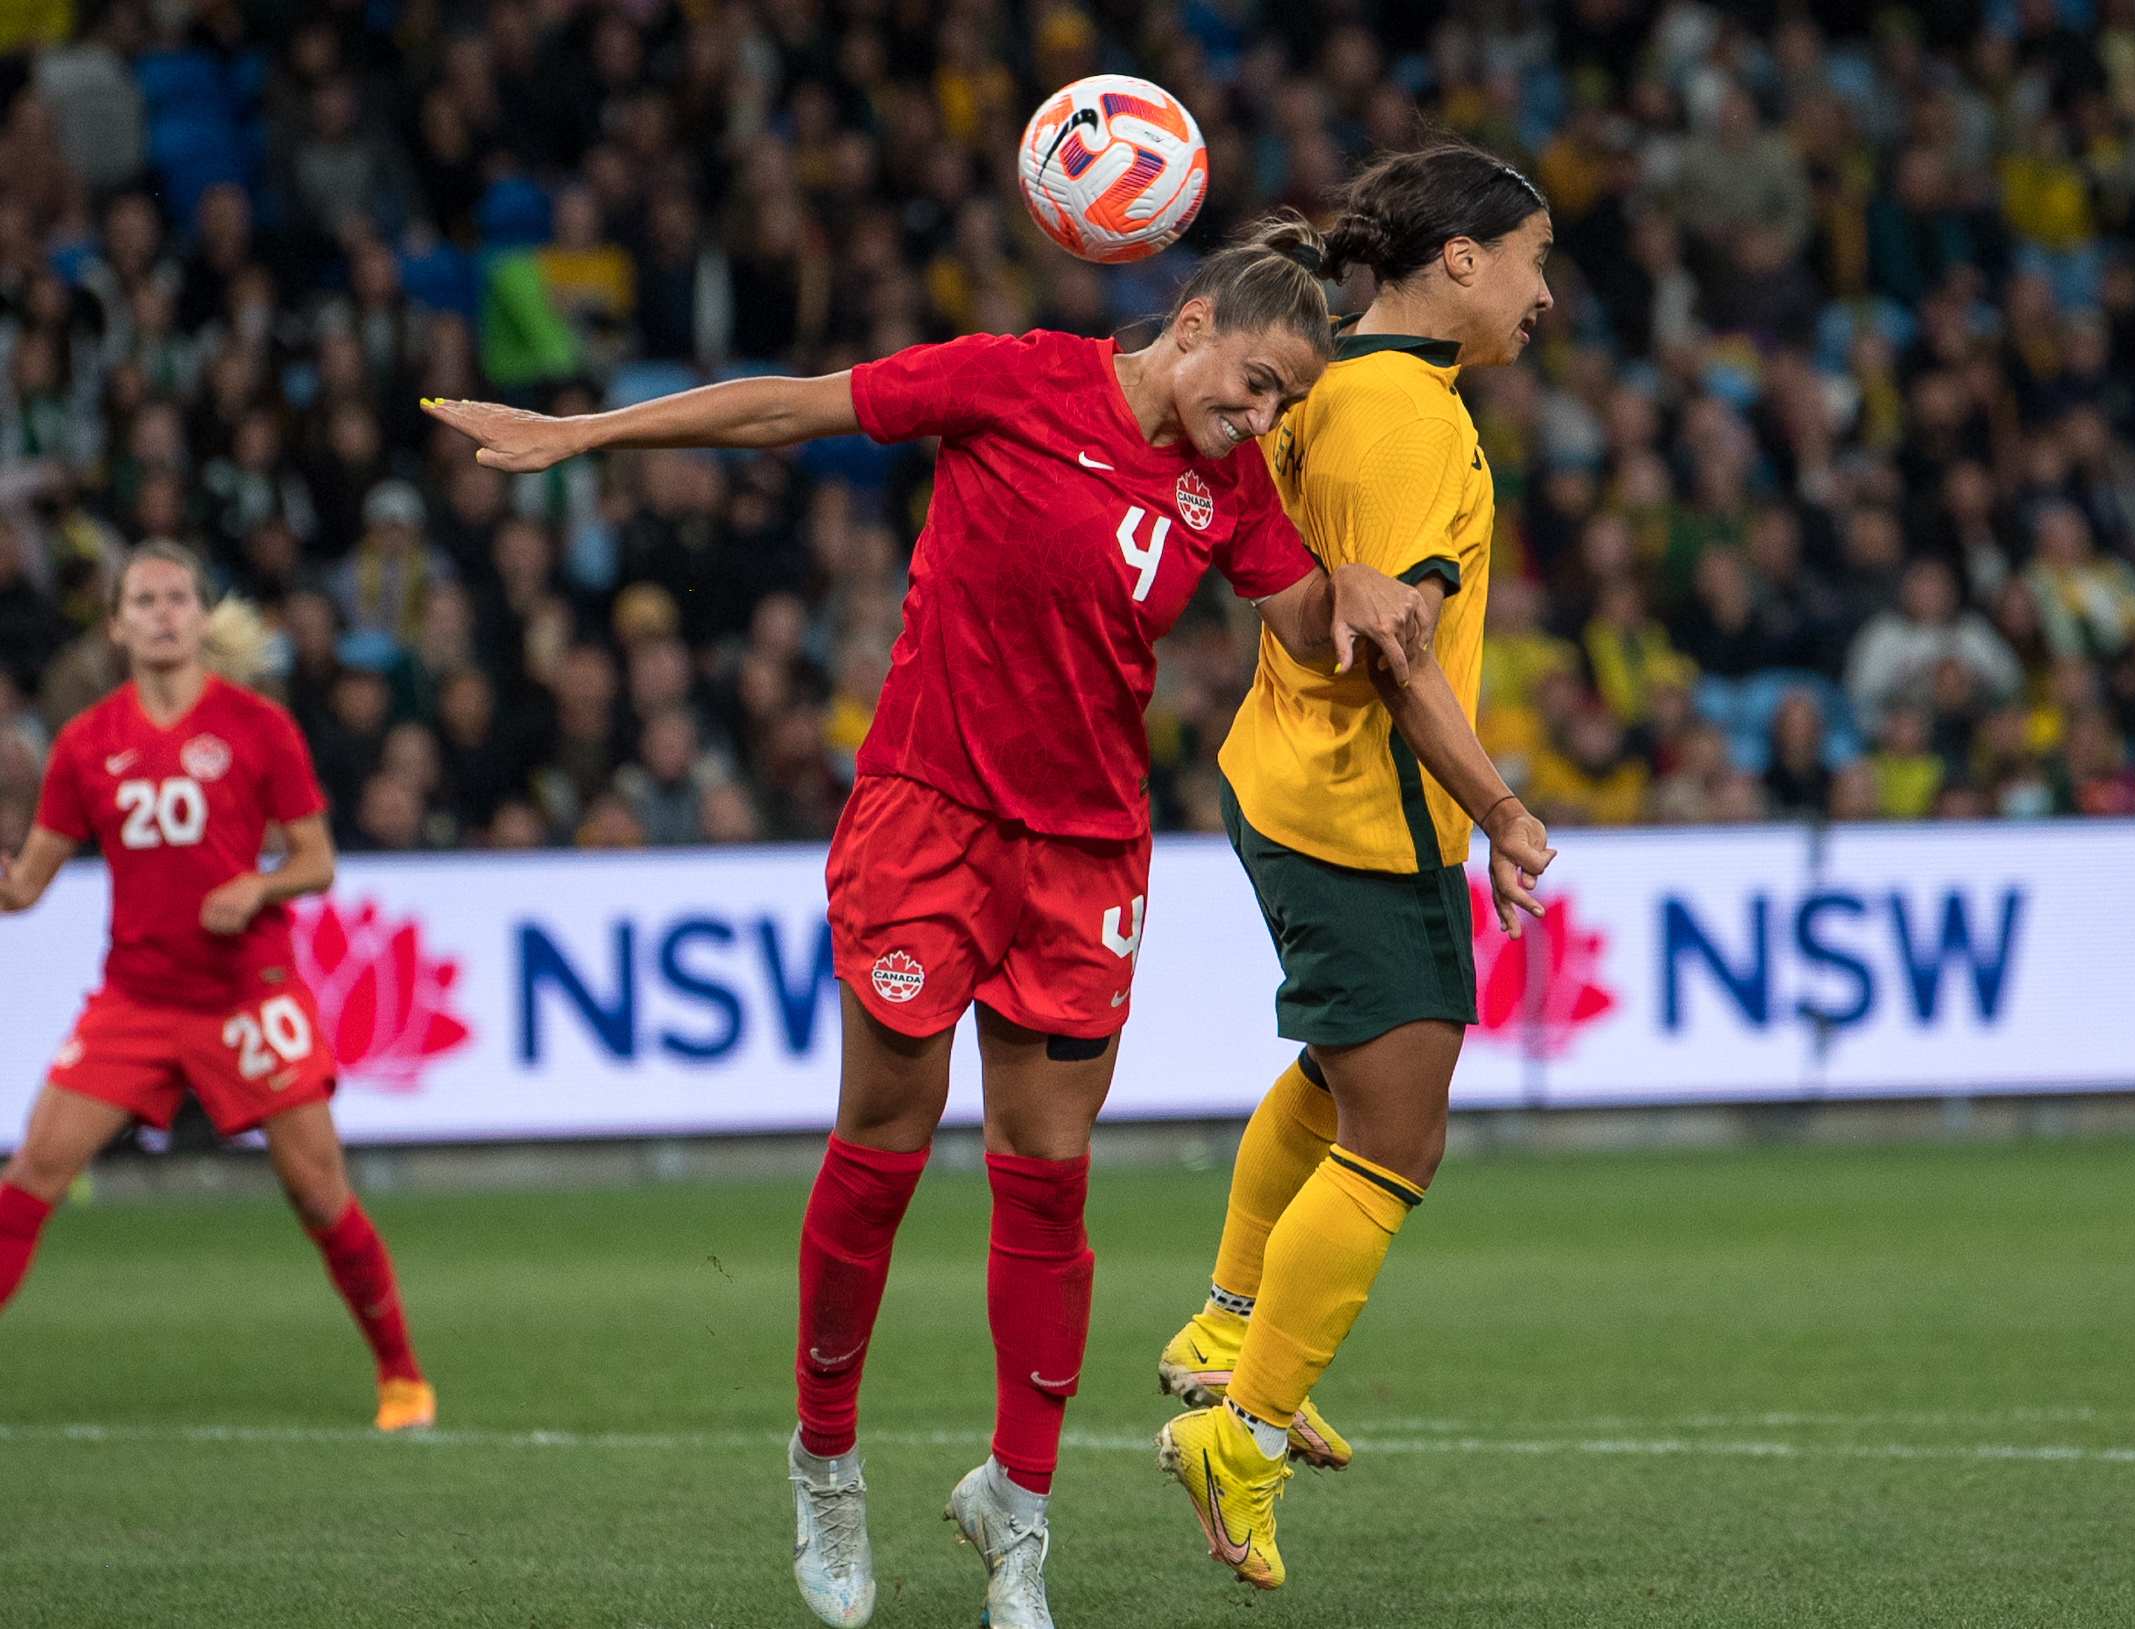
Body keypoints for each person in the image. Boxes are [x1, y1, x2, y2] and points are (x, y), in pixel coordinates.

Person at [423, 216, 1428, 1629]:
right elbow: (790, 408)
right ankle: (824, 1457)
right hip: (927, 816)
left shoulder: (1233, 488)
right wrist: (585, 436)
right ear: (1189, 325)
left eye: (1282, 406)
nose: (1257, 418)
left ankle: (1015, 1516)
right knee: (885, 1137)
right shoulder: (1013, 378)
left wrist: (1372, 587)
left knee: (1048, 1174)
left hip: (1084, 853)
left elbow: (1308, 623)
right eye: (1253, 382)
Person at [1152, 144, 1559, 1592]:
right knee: (1398, 1133)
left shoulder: (1344, 389)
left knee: (1338, 1076)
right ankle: (1240, 1432)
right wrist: (1499, 810)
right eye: (1528, 258)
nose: (1541, 294)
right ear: (1459, 260)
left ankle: (1223, 1329)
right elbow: (1386, 645)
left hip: (1297, 785)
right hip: (1356, 812)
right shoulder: (1405, 416)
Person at [0, 542, 434, 1433]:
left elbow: (316, 860)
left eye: (176, 597)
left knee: (317, 1192)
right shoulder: (86, 744)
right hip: (135, 999)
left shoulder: (257, 726)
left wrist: (261, 883)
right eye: (143, 600)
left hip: (248, 995)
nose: (162, 612)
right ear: (117, 625)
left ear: (200, 617)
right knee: (32, 1172)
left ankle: (402, 1377)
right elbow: (25, 887)